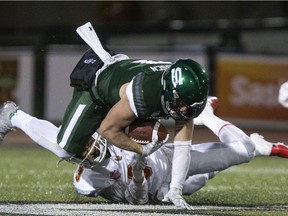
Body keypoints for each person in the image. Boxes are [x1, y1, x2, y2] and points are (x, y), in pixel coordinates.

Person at [0, 22, 209, 209]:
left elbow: (183, 147)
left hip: (121, 87)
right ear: (170, 90)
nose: (185, 111)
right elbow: (107, 129)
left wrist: (176, 188)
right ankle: (12, 116)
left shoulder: (180, 95)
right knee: (65, 149)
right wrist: (140, 149)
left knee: (137, 137)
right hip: (96, 90)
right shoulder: (144, 93)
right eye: (182, 104)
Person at [1, 96, 288, 207]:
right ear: (84, 163)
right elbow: (138, 202)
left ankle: (209, 116)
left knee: (243, 151)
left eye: (87, 146)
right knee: (217, 167)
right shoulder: (92, 180)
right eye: (86, 153)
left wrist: (18, 118)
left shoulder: (102, 133)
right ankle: (243, 137)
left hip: (167, 157)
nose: (90, 150)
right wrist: (138, 171)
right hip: (158, 190)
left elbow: (54, 135)